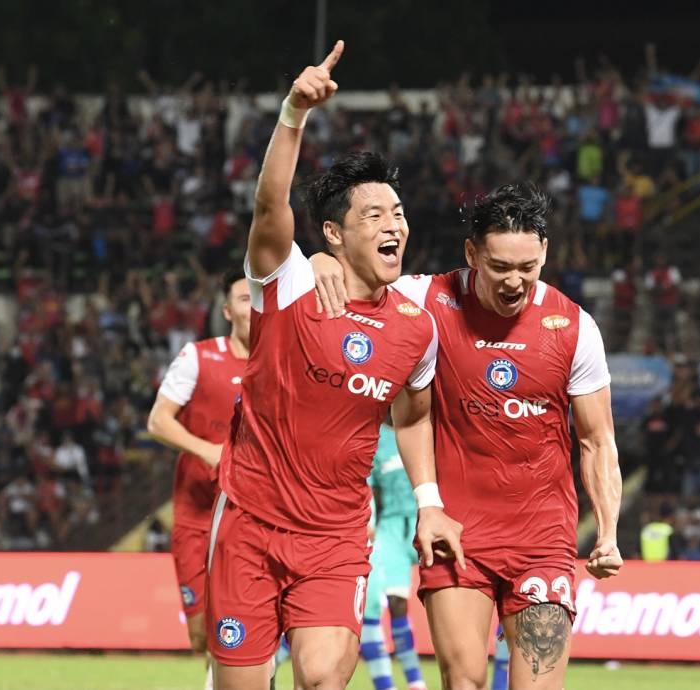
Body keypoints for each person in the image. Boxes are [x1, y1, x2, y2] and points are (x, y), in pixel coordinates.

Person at [205, 41, 464, 690]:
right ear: (333, 234)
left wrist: (429, 502)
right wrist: (293, 111)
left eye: (398, 215)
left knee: (323, 678)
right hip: (251, 525)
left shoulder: (415, 328)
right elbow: (270, 211)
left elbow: (414, 416)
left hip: (336, 537)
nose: (393, 226)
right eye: (373, 215)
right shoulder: (287, 283)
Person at [314, 182, 623, 690]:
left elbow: (597, 440)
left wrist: (607, 530)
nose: (514, 282)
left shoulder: (574, 327)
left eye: (527, 268)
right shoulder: (424, 299)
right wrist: (320, 261)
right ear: (471, 253)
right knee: (465, 683)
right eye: (499, 267)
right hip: (457, 533)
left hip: (542, 537)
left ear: (544, 252)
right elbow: (355, 279)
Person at [147, 272, 251, 689]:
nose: (252, 306)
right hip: (196, 514)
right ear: (227, 312)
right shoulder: (199, 357)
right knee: (199, 634)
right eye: (243, 299)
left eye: (258, 298)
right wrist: (208, 450)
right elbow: (157, 421)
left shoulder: (282, 363)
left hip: (248, 517)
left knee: (239, 625)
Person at [361, 421, 427, 690]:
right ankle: (389, 684)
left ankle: (414, 679)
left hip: (424, 520)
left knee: (404, 605)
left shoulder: (428, 428)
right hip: (388, 529)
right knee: (378, 602)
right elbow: (365, 483)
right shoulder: (377, 438)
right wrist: (370, 519)